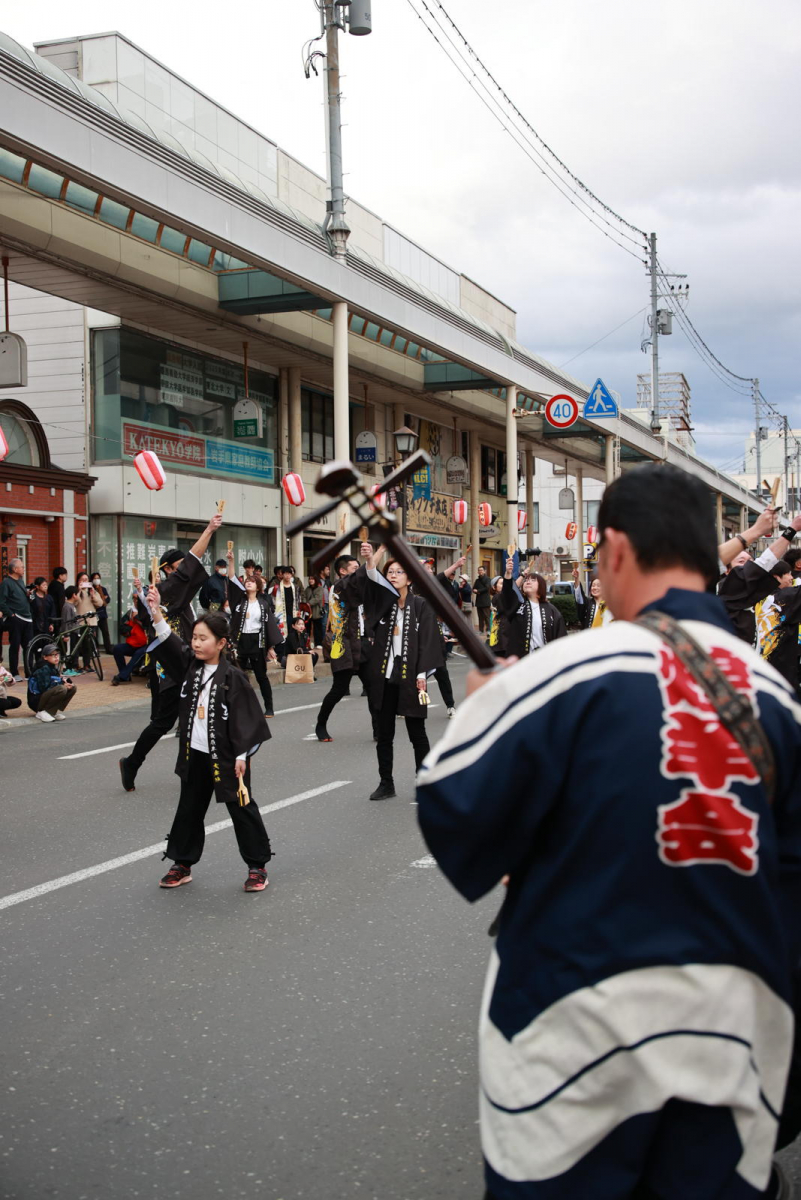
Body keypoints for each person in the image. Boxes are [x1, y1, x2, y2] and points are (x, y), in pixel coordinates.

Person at [416, 462, 801, 1200]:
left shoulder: (562, 673)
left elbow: (456, 813)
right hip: (733, 1041)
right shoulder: (776, 700)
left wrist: (480, 709)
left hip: (571, 1032)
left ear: (615, 550)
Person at [143, 590, 273, 893]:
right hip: (195, 754)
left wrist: (242, 756)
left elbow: (247, 720)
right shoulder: (191, 666)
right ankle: (182, 863)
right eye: (195, 637)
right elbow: (172, 644)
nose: (196, 643)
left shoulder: (234, 678)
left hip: (228, 757)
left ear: (222, 643)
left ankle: (257, 867)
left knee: (241, 808)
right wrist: (156, 613)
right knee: (189, 809)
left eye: (203, 638)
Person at [119, 513, 220, 793]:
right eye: (177, 568)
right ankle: (135, 763)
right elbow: (192, 561)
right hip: (176, 666)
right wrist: (209, 529)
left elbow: (191, 564)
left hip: (187, 660)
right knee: (167, 721)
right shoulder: (164, 592)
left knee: (190, 718)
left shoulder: (172, 593)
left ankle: (182, 770)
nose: (184, 572)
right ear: (166, 570)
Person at [359, 542, 442, 801]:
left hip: (412, 678)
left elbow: (429, 641)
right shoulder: (383, 603)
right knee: (384, 734)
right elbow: (371, 578)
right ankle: (386, 782)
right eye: (390, 572)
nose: (393, 576)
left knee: (417, 733)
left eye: (399, 572)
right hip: (385, 677)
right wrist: (373, 558)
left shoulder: (421, 606)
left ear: (410, 577)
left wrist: (422, 675)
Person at [314, 553, 376, 743]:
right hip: (343, 644)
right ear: (342, 571)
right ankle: (321, 724)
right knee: (339, 689)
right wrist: (374, 555)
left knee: (373, 688)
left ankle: (378, 728)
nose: (358, 572)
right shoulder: (339, 588)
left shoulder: (358, 588)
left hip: (362, 643)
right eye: (354, 568)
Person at [718, 516, 801, 645]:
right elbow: (764, 562)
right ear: (727, 570)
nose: (748, 566)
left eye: (750, 561)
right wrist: (790, 530)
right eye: (741, 562)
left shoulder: (765, 596)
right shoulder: (722, 593)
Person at [226, 549, 281, 717]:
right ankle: (237, 707)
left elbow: (269, 625)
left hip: (257, 641)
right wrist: (231, 561)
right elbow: (231, 579)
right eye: (247, 581)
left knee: (261, 676)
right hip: (240, 640)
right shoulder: (238, 600)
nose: (248, 583)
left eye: (252, 581)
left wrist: (271, 647)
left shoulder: (263, 603)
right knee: (237, 676)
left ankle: (269, 707)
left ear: (258, 587)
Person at [499, 561, 567, 654]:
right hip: (520, 661)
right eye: (526, 580)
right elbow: (507, 593)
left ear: (541, 586)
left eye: (533, 580)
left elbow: (561, 637)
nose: (528, 582)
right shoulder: (518, 605)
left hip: (544, 660)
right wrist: (508, 573)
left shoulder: (551, 610)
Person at [0, 557, 33, 681]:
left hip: (27, 617)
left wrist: (29, 594)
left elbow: (26, 598)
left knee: (28, 646)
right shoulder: (6, 583)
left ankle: (29, 672)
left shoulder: (21, 581)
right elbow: (1, 602)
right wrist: (11, 614)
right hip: (16, 617)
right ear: (14, 569)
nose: (24, 569)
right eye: (22, 567)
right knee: (15, 645)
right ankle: (14, 672)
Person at [26, 644, 76, 722]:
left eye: (57, 654)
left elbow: (55, 680)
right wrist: (62, 684)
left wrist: (65, 681)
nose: (56, 657)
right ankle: (41, 712)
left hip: (44, 696)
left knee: (72, 688)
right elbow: (44, 687)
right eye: (52, 655)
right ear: (45, 657)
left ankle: (52, 711)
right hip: (36, 700)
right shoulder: (43, 668)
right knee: (61, 689)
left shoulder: (52, 666)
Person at [111, 600, 149, 685]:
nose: (135, 601)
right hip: (133, 643)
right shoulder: (130, 613)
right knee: (117, 649)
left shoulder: (148, 612)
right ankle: (125, 674)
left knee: (138, 654)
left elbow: (149, 627)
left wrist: (137, 619)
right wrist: (130, 631)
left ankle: (122, 676)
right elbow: (122, 627)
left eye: (138, 599)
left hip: (146, 644)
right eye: (134, 599)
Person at [270, 566, 303, 646]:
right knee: (282, 632)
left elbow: (299, 600)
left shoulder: (295, 587)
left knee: (293, 631)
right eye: (285, 574)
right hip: (281, 614)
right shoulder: (277, 587)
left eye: (289, 574)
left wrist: (299, 611)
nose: (287, 576)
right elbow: (272, 599)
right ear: (282, 575)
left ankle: (294, 649)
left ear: (291, 575)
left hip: (293, 612)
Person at [90, 571, 112, 654]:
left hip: (102, 614)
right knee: (94, 633)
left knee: (105, 632)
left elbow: (108, 599)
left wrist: (102, 601)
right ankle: (95, 649)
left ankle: (108, 649)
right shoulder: (91, 589)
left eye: (98, 578)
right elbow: (93, 602)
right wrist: (102, 600)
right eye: (95, 578)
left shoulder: (103, 589)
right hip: (94, 615)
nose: (96, 580)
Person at [488, 576, 508, 657]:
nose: (504, 585)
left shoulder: (499, 597)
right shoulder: (497, 597)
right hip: (500, 636)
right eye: (501, 584)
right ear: (494, 587)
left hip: (500, 635)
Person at [304, 574, 326, 647]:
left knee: (317, 628)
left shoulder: (320, 588)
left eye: (312, 579)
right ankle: (306, 643)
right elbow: (304, 596)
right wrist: (304, 604)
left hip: (316, 611)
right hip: (307, 611)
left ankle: (318, 643)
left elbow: (318, 598)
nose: (310, 580)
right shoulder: (307, 589)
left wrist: (308, 603)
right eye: (310, 579)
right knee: (307, 628)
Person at [473, 566, 492, 633]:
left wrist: (478, 591)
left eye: (481, 570)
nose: (480, 571)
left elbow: (487, 588)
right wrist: (474, 590)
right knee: (480, 617)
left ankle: (488, 630)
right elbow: (474, 588)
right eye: (479, 570)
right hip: (479, 601)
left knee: (487, 617)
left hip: (486, 601)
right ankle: (481, 630)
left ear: (484, 571)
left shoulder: (488, 579)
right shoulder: (477, 580)